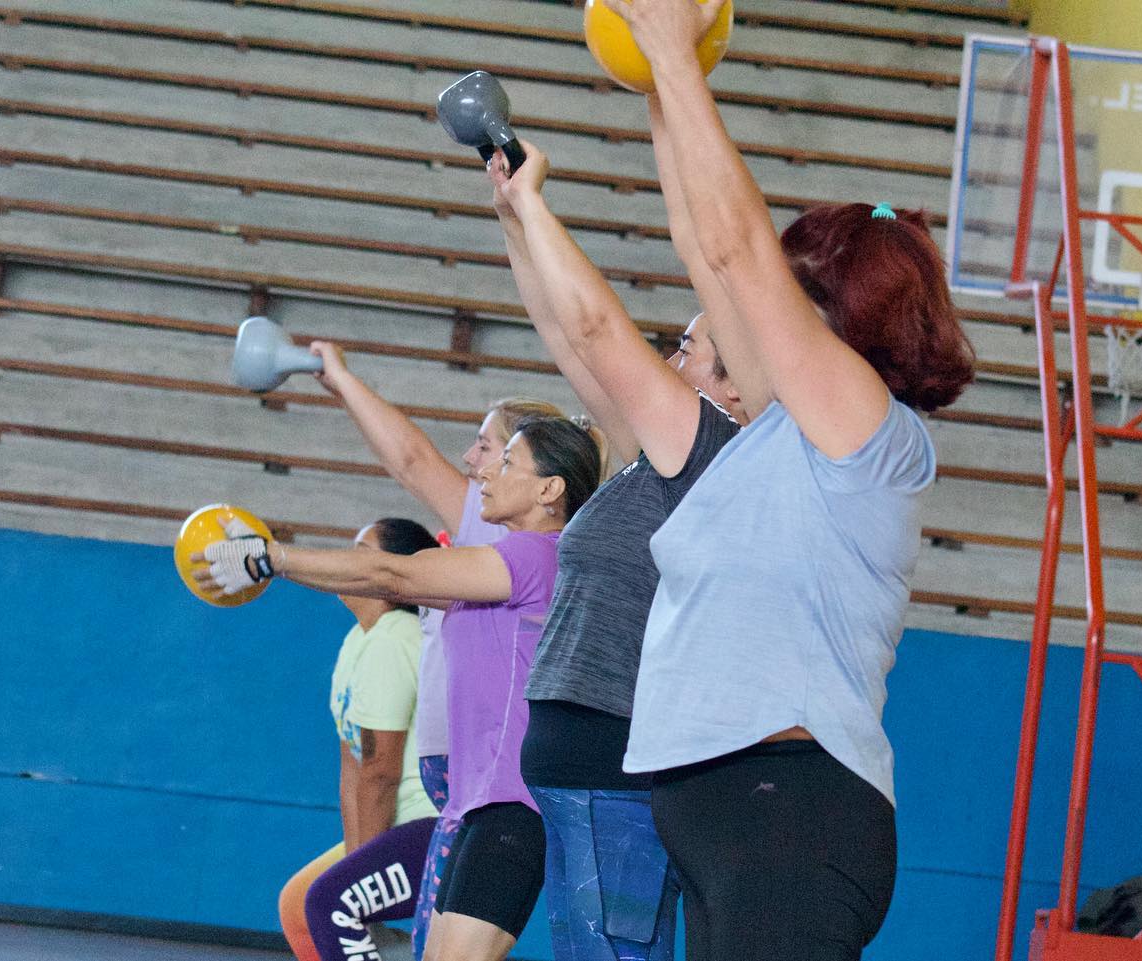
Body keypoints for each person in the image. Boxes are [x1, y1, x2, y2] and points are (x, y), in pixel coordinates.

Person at [602, 2, 978, 960]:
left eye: (791, 290)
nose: (753, 307)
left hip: (796, 815)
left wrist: (680, 61)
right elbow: (702, 240)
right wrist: (656, 75)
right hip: (734, 815)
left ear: (841, 316)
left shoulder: (869, 427)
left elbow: (734, 251)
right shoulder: (781, 426)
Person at [197, 416, 604, 961]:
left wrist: (272, 557)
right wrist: (274, 562)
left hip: (514, 807)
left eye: (507, 462)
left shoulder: (534, 557)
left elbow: (392, 577)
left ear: (550, 489)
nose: (486, 472)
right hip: (478, 806)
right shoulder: (495, 573)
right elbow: (378, 576)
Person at [485, 122, 747, 961]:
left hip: (614, 758)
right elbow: (569, 342)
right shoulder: (649, 459)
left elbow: (600, 331)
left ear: (730, 382)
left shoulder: (710, 452)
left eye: (688, 348)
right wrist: (512, 217)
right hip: (580, 761)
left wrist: (537, 204)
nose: (671, 357)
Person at [301, 341, 564, 959]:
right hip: (461, 781)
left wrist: (276, 557)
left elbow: (413, 466)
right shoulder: (484, 523)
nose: (471, 457)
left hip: (489, 787)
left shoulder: (527, 550)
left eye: (487, 444)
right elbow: (407, 458)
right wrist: (340, 380)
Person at [276, 517, 441, 961]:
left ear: (393, 574)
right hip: (398, 825)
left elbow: (381, 769)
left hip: (434, 825)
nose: (347, 561)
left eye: (361, 553)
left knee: (326, 905)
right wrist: (357, 859)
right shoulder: (358, 640)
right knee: (300, 905)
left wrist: (358, 871)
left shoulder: (397, 638)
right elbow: (353, 763)